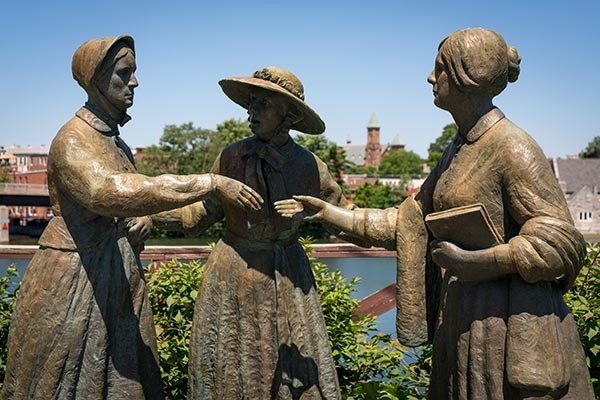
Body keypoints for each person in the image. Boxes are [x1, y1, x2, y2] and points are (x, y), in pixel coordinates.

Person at [275, 28, 594, 399]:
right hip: (463, 315)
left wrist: (483, 261)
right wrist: (331, 214)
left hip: (506, 323)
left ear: (465, 75)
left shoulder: (512, 147)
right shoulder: (457, 149)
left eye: (439, 69)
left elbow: (561, 242)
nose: (430, 77)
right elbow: (409, 220)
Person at [1, 35, 262, 400]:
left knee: (127, 383)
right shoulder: (73, 140)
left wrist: (214, 201)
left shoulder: (116, 143)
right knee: (70, 383)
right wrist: (210, 183)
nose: (134, 82)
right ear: (96, 79)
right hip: (76, 283)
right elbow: (108, 191)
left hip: (117, 283)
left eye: (134, 72)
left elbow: (151, 206)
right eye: (124, 73)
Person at [155, 66, 346, 399]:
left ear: (288, 115)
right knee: (231, 365)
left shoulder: (310, 167)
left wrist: (315, 215)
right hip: (233, 273)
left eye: (263, 105)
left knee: (295, 361)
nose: (251, 113)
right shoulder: (231, 157)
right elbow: (200, 214)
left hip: (287, 273)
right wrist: (147, 213)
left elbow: (340, 216)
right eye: (251, 104)